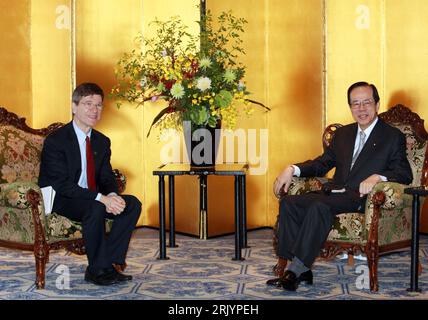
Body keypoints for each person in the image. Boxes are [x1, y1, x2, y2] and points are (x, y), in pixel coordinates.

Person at [267, 81, 412, 291]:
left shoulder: (392, 136)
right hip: (334, 193)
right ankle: (301, 269)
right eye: (355, 104)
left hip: (360, 198)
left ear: (377, 104)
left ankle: (294, 272)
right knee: (290, 203)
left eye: (366, 102)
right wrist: (292, 169)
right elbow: (322, 163)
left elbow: (404, 173)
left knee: (319, 207)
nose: (361, 109)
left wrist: (378, 177)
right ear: (350, 107)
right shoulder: (343, 134)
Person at [38, 82, 142, 286]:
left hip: (92, 198)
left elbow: (105, 176)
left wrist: (112, 194)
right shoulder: (56, 141)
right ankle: (100, 269)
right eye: (88, 104)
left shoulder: (102, 141)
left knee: (132, 204)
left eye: (99, 105)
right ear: (74, 107)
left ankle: (105, 265)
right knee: (95, 207)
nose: (94, 110)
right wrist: (100, 198)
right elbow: (62, 184)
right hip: (63, 199)